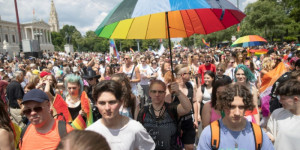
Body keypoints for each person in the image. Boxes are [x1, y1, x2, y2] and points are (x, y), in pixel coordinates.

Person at [198, 83, 274, 150]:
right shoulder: (209, 134)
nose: (237, 113)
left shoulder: (258, 134)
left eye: (241, 107)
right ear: (223, 106)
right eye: (232, 107)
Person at [86, 80, 155, 150]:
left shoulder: (135, 129)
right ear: (96, 104)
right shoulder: (90, 132)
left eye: (112, 102)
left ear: (121, 102)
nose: (107, 108)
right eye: (102, 103)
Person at [138, 80, 192, 150]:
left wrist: (178, 92)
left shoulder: (171, 108)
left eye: (160, 92)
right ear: (149, 93)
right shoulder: (143, 111)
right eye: (154, 91)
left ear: (164, 93)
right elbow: (138, 136)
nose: (157, 94)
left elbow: (187, 108)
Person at [168, 64, 198, 150]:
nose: (190, 74)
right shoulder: (172, 88)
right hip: (176, 123)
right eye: (189, 72)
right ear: (182, 75)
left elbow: (194, 101)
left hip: (189, 121)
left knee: (190, 147)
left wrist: (195, 119)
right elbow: (168, 108)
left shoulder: (190, 85)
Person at [266, 79, 300, 149]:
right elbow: (271, 134)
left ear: (295, 99)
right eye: (279, 97)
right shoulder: (277, 113)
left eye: (283, 98)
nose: (280, 101)